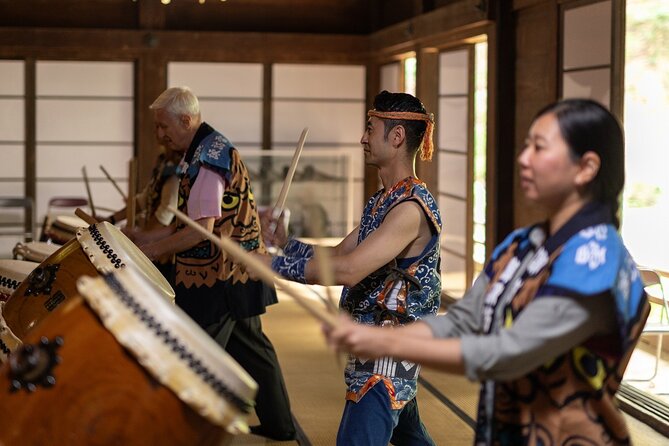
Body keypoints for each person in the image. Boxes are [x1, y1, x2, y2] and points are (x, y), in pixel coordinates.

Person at [324, 98, 649, 446]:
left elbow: (510, 350)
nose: (524, 158)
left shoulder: (597, 260)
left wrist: (381, 340)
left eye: (539, 148)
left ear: (585, 167)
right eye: (527, 146)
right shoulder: (522, 245)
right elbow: (464, 320)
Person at [257, 91, 441, 446]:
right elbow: (339, 254)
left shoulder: (409, 210)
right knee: (410, 436)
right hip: (376, 348)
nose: (363, 138)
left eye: (370, 129)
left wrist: (276, 265)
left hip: (384, 359)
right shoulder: (384, 202)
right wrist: (287, 243)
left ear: (397, 136)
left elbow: (348, 271)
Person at [128, 86, 296, 441]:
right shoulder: (204, 148)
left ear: (186, 120)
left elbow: (201, 233)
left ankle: (186, 431)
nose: (160, 135)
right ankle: (280, 425)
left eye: (163, 127)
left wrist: (156, 252)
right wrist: (148, 239)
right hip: (238, 270)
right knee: (253, 349)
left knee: (195, 355)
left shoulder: (207, 158)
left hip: (222, 278)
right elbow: (189, 224)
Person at [104, 142, 181, 279]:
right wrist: (111, 219)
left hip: (164, 253)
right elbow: (143, 200)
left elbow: (164, 216)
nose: (160, 136)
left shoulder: (175, 174)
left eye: (163, 127)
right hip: (151, 244)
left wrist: (141, 238)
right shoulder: (163, 165)